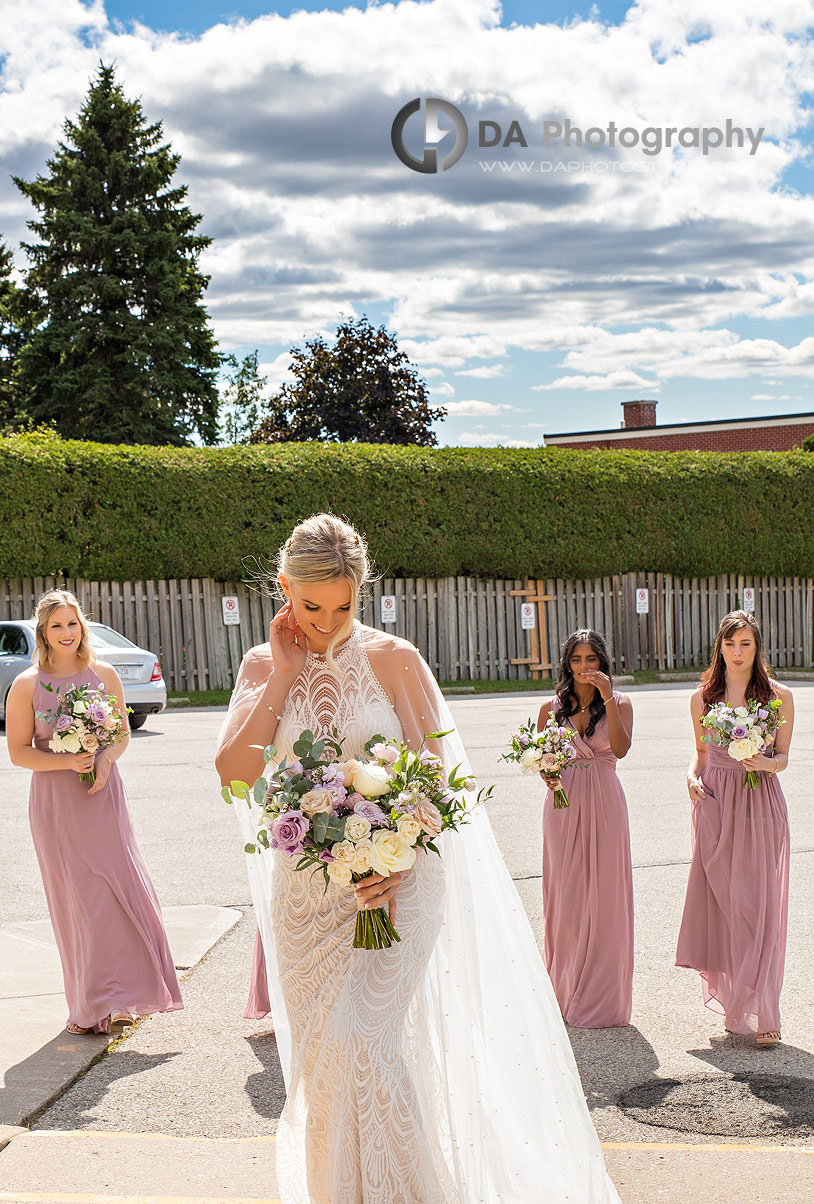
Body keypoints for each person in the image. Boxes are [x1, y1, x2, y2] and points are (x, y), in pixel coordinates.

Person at [216, 514, 621, 1204]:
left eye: (342, 605)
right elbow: (233, 777)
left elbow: (436, 778)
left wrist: (395, 859)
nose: (325, 622)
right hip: (306, 895)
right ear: (283, 588)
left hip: (399, 879)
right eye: (310, 606)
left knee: (361, 1041)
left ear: (360, 591)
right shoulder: (262, 664)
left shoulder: (395, 658)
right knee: (324, 1065)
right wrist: (284, 675)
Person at [6, 589, 182, 1035]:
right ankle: (89, 1003)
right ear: (44, 633)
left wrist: (105, 758)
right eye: (56, 626)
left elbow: (120, 734)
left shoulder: (102, 673)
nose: (66, 633)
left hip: (101, 796)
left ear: (82, 626)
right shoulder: (26, 685)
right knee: (77, 902)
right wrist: (67, 760)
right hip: (56, 805)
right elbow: (19, 753)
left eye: (72, 624)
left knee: (114, 892)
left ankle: (124, 998)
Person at [676, 610, 793, 1047]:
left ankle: (766, 1010)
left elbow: (783, 757)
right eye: (730, 644)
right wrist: (690, 777)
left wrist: (765, 762)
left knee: (758, 906)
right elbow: (700, 754)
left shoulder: (777, 696)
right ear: (719, 647)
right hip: (716, 803)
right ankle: (735, 1002)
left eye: (746, 644)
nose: (738, 652)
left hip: (760, 801)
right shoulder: (703, 698)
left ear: (757, 647)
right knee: (726, 906)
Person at [536, 629, 634, 1028]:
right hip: (563, 805)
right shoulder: (550, 707)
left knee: (606, 896)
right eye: (576, 660)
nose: (583, 667)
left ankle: (603, 997)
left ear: (602, 663)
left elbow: (622, 748)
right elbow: (540, 757)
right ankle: (563, 987)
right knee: (567, 896)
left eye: (591, 659)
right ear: (567, 664)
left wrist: (608, 696)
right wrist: (547, 774)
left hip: (606, 801)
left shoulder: (621, 703)